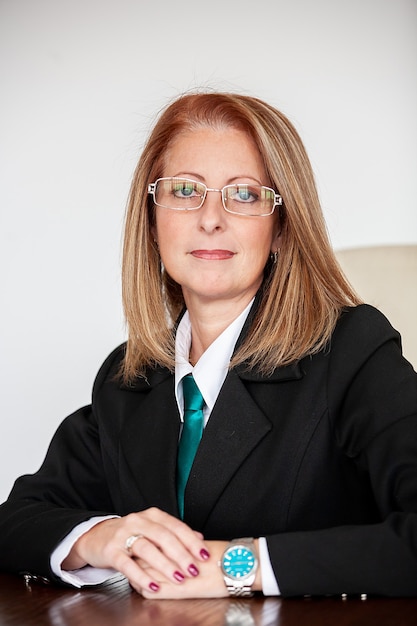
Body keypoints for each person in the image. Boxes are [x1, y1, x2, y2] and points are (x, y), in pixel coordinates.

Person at [0, 92, 416, 599]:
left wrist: (235, 566)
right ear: (153, 221)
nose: (211, 218)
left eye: (244, 194)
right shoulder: (128, 379)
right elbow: (17, 519)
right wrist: (102, 537)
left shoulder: (353, 351)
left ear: (282, 227)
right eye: (184, 190)